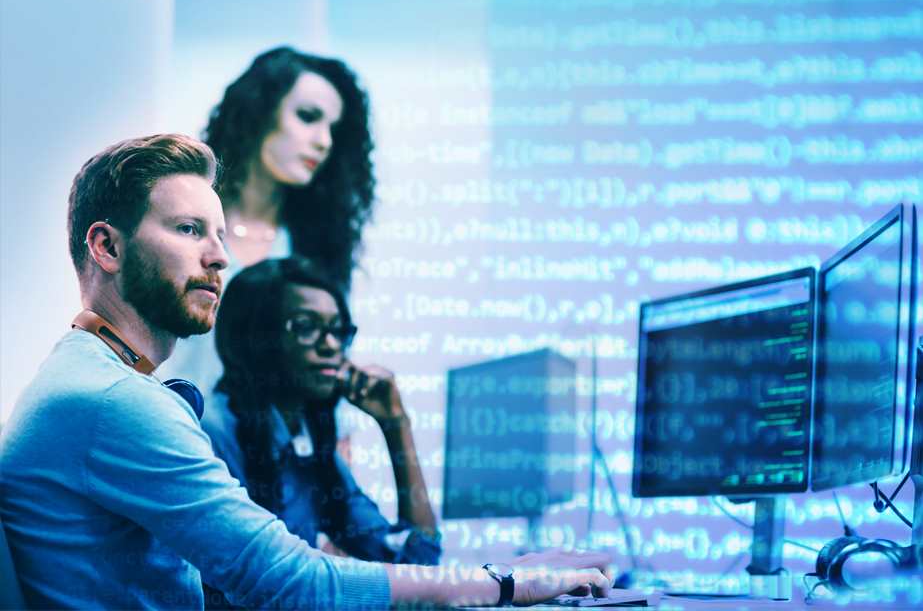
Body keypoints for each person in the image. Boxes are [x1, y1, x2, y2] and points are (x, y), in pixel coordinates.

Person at [0, 133, 614, 609]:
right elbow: (289, 586)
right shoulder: (113, 400)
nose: (219, 256)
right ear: (106, 247)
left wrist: (493, 578)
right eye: (188, 230)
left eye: (219, 234)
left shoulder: (95, 380)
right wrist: (505, 582)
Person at [161, 45, 374, 456]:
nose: (324, 141)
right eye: (308, 117)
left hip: (267, 474)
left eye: (334, 128)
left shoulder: (315, 251)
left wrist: (337, 499)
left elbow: (326, 383)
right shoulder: (180, 222)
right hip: (171, 456)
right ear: (260, 112)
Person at [200, 256, 440, 608]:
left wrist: (395, 425)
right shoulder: (211, 433)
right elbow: (271, 584)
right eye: (307, 326)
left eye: (339, 330)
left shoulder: (309, 449)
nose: (331, 345)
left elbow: (418, 562)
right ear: (255, 339)